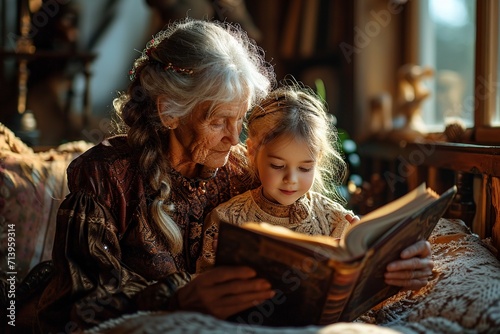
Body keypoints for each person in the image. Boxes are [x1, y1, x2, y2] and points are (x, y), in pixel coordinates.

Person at [27, 17, 432, 333]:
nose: (234, 139)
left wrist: (389, 261)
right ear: (170, 111)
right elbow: (74, 308)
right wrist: (177, 297)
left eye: (240, 120)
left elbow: (321, 230)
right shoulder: (102, 177)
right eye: (220, 121)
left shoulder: (245, 167)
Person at [197, 82, 359, 272]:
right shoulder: (227, 220)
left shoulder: (336, 221)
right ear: (252, 151)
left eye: (305, 168)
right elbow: (206, 285)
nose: (291, 179)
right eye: (278, 166)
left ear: (318, 159)